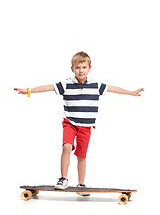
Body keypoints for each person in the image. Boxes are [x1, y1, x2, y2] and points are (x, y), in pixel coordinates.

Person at [14, 51, 144, 196]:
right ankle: (63, 179)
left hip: (86, 127)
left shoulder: (96, 85)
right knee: (67, 147)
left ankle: (81, 185)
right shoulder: (66, 84)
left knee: (81, 156)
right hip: (70, 123)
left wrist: (131, 92)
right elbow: (49, 87)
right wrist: (29, 91)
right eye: (77, 68)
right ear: (72, 69)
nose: (80, 71)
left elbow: (114, 89)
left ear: (89, 68)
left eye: (83, 67)